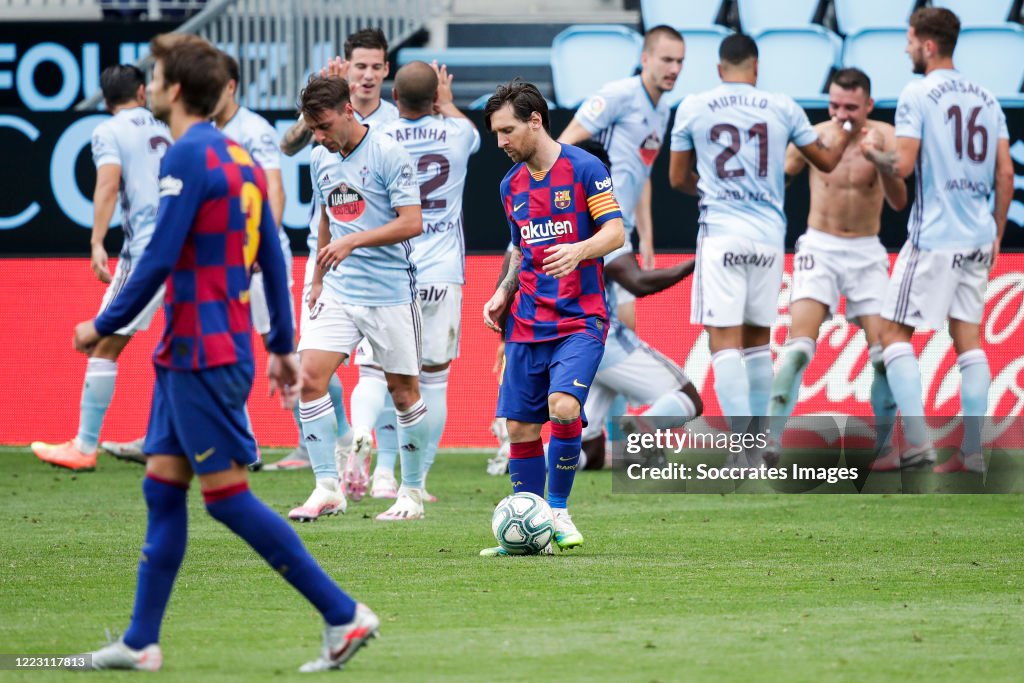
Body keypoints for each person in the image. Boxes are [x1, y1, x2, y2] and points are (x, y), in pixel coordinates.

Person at [72, 34, 378, 672]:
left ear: (175, 90)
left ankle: (344, 614)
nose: (148, 85)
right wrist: (281, 346)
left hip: (201, 354)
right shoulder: (235, 155)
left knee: (225, 497)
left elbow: (157, 255)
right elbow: (270, 248)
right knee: (162, 490)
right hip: (201, 347)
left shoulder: (188, 155)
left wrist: (100, 324)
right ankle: (140, 640)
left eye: (155, 76)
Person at [668, 33, 852, 426]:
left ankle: (742, 444)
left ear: (720, 69)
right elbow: (827, 161)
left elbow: (677, 176)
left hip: (721, 234)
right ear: (756, 68)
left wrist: (708, 189)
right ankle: (762, 439)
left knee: (723, 344)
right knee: (756, 345)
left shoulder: (694, 106)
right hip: (768, 239)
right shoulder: (782, 106)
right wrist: (847, 129)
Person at [861, 7, 1013, 473]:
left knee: (891, 334)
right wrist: (997, 236)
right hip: (978, 236)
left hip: (935, 236)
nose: (905, 48)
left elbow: (902, 167)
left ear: (928, 45)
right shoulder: (987, 97)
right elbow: (1005, 174)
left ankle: (921, 443)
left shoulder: (918, 92)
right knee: (968, 338)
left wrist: (874, 153)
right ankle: (972, 453)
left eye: (909, 40)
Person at [481, 80, 626, 555]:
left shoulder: (585, 167)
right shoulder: (510, 186)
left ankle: (557, 511)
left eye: (506, 131)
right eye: (496, 133)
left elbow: (616, 232)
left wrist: (579, 251)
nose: (500, 142)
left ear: (535, 120)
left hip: (580, 318)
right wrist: (502, 291)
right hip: (525, 321)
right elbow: (521, 249)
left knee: (563, 408)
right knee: (520, 429)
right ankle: (528, 528)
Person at [291, 75, 427, 523]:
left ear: (348, 111)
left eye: (325, 126)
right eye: (313, 129)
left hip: (390, 292)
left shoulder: (389, 153)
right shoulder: (319, 158)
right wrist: (316, 279)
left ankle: (410, 493)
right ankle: (327, 487)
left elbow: (411, 223)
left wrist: (355, 242)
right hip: (340, 289)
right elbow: (328, 217)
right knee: (308, 378)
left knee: (403, 392)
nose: (319, 137)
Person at [267, 28, 398, 471]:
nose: (366, 75)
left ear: (386, 70)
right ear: (346, 67)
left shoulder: (395, 125)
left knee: (379, 371)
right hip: (324, 255)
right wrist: (315, 109)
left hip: (382, 263)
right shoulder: (321, 122)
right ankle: (328, 443)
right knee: (314, 359)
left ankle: (378, 467)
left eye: (375, 66)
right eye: (358, 66)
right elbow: (287, 146)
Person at [31, 64, 171, 471]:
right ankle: (235, 443)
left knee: (102, 342)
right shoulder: (165, 125)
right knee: (183, 345)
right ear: (142, 92)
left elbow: (108, 184)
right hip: (186, 248)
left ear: (107, 100)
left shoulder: (108, 131)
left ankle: (85, 446)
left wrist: (95, 241)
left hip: (146, 250)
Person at [766, 68, 907, 457]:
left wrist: (877, 158)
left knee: (884, 353)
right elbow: (776, 182)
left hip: (866, 249)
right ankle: (771, 441)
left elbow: (899, 201)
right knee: (797, 347)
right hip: (820, 246)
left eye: (851, 107)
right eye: (834, 106)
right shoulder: (815, 137)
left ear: (868, 105)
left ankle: (883, 447)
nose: (842, 114)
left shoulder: (886, 136)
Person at [357, 60, 480, 501]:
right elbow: (472, 131)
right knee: (432, 381)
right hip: (442, 274)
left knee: (382, 373)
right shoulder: (458, 133)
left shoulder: (379, 139)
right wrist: (446, 103)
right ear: (435, 98)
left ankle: (378, 466)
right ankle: (420, 478)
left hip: (393, 270)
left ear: (393, 99)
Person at [569, 140, 703, 470]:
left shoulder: (553, 214)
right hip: (602, 337)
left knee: (590, 452)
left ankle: (522, 466)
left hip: (568, 341)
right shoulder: (602, 222)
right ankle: (635, 438)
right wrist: (695, 263)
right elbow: (637, 283)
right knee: (689, 398)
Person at [558, 25, 684, 331]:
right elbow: (563, 144)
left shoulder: (663, 111)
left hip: (621, 230)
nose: (675, 69)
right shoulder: (617, 96)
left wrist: (647, 238)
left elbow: (643, 173)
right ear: (645, 58)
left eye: (680, 61)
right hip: (594, 226)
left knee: (623, 329)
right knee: (604, 324)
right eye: (667, 60)